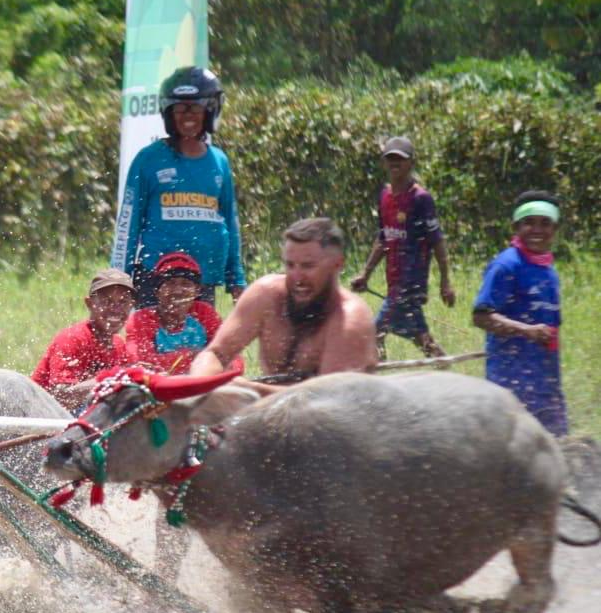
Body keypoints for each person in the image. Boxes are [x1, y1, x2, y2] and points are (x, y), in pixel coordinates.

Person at [110, 66, 245, 308]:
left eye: (195, 108)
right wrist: (119, 279)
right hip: (155, 282)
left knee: (200, 335)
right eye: (180, 108)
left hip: (203, 282)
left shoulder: (219, 162)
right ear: (168, 113)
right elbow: (128, 224)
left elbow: (231, 225)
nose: (187, 116)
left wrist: (236, 280)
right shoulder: (148, 159)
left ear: (210, 110)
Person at [190, 218, 378, 390]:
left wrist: (247, 390)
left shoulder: (350, 320)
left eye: (308, 266)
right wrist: (199, 385)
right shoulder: (265, 295)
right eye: (290, 265)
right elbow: (215, 353)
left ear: (337, 265)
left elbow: (327, 400)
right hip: (271, 409)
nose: (297, 277)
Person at [350, 136, 455, 359]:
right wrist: (365, 274)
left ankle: (375, 372)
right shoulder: (385, 196)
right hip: (394, 281)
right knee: (421, 337)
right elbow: (383, 238)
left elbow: (437, 240)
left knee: (375, 334)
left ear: (411, 163)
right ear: (384, 163)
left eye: (400, 158)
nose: (395, 163)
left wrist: (445, 281)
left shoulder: (420, 199)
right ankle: (442, 364)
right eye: (391, 158)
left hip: (410, 283)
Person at [472, 192, 566, 436]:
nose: (537, 230)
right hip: (511, 385)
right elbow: (481, 316)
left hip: (546, 386)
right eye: (529, 223)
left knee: (557, 449)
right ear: (516, 227)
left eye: (545, 223)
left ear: (555, 229)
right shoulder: (507, 265)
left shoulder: (548, 270)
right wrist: (527, 331)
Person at [31, 268, 135, 409]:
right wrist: (111, 379)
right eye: (106, 301)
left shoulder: (119, 345)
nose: (115, 309)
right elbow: (62, 397)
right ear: (89, 304)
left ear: (131, 306)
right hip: (41, 415)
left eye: (123, 302)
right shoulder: (72, 338)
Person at [124, 252, 240, 375]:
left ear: (197, 291)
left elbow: (232, 356)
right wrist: (195, 356)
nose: (178, 291)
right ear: (157, 291)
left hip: (201, 379)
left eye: (186, 284)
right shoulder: (142, 319)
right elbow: (139, 362)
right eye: (170, 283)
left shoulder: (204, 313)